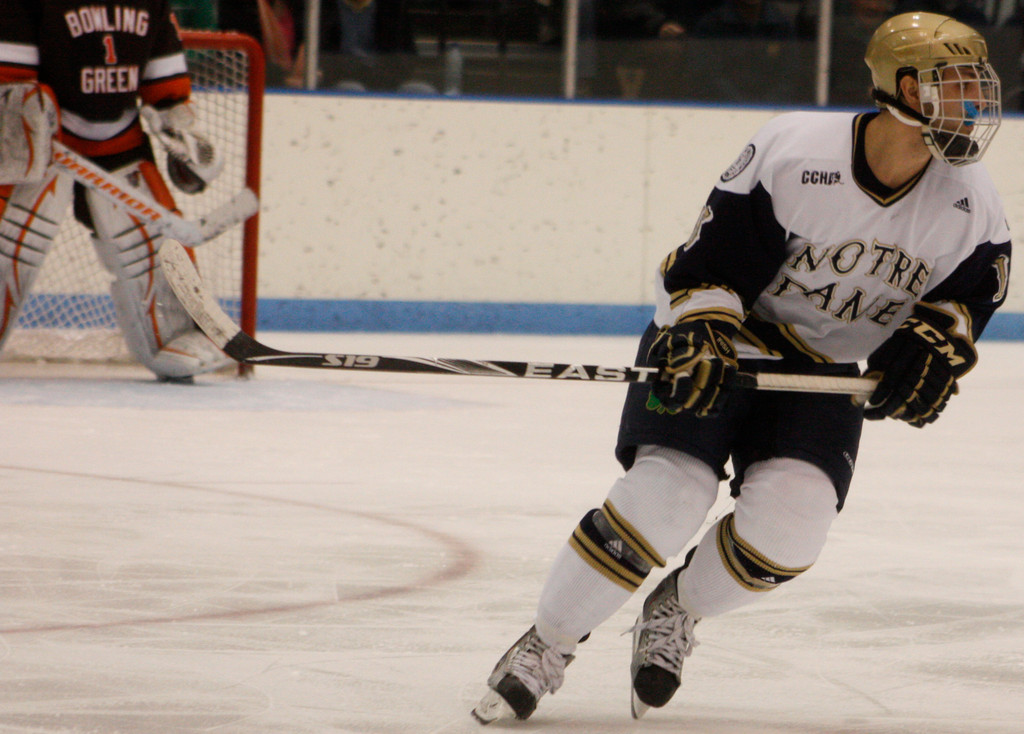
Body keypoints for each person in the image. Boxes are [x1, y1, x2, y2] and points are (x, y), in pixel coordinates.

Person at [472, 11, 1010, 723]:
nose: (974, 105)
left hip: (823, 368)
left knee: (792, 527)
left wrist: (933, 347)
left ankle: (678, 610)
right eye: (954, 86)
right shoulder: (796, 151)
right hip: (726, 339)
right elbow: (712, 264)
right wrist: (702, 332)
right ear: (901, 88)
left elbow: (965, 301)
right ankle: (547, 645)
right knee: (667, 495)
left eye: (978, 86)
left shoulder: (971, 203)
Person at [0, 1, 231, 380]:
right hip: (40, 145)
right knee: (10, 245)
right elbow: (11, 88)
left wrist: (181, 133)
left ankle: (180, 333)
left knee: (158, 242)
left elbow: (165, 86)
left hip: (121, 143)